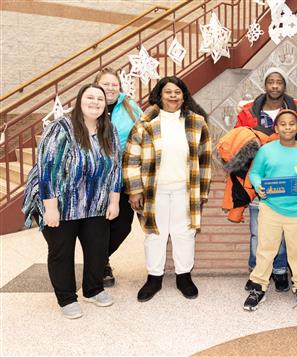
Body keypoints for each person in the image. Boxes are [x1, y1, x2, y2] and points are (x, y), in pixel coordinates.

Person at [22, 83, 122, 319]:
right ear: (79, 101)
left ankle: (93, 289)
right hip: (61, 202)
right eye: (90, 97)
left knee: (97, 248)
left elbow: (116, 168)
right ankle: (66, 298)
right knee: (62, 251)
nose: (95, 102)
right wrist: (51, 208)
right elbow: (47, 170)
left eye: (100, 98)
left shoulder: (110, 129)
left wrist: (114, 202)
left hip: (95, 201)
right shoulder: (61, 128)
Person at [122, 76, 211, 302]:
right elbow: (131, 157)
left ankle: (184, 277)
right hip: (155, 191)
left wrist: (201, 192)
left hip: (185, 190)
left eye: (177, 92)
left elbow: (204, 160)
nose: (173, 96)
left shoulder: (197, 122)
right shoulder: (144, 123)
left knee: (185, 233)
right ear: (159, 95)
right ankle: (154, 278)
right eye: (168, 92)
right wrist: (134, 190)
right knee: (154, 234)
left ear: (184, 96)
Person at [235, 67, 297, 293]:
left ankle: (280, 271)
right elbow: (238, 140)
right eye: (270, 82)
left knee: (284, 232)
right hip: (260, 180)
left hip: (288, 181)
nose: (275, 86)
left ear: (285, 86)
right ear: (265, 85)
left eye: (279, 82)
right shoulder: (249, 111)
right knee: (258, 232)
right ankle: (257, 271)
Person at [243, 109, 297, 315]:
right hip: (271, 209)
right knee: (266, 250)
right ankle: (258, 287)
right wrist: (259, 186)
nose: (287, 127)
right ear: (276, 128)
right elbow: (256, 173)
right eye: (283, 124)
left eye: (291, 124)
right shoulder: (266, 150)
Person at [94, 68, 143, 287]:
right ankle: (101, 264)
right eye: (106, 84)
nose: (111, 88)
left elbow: (144, 133)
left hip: (124, 175)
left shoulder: (129, 106)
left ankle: (99, 257)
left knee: (123, 225)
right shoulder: (90, 103)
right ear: (97, 86)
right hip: (95, 177)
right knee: (97, 223)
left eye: (114, 84)